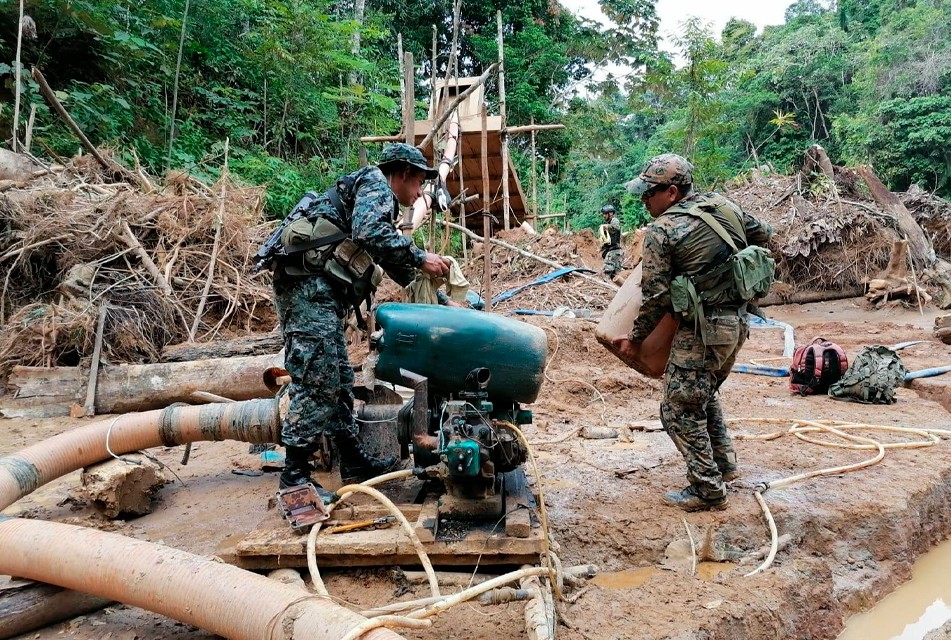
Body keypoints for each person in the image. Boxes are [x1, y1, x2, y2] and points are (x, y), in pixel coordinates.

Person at [272, 143, 453, 493]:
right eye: (418, 184)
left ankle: (352, 460)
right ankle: (293, 477)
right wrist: (421, 257)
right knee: (318, 378)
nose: (418, 195)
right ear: (403, 174)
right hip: (306, 291)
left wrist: (442, 299)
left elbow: (395, 262)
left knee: (339, 378)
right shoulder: (376, 184)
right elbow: (373, 235)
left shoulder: (373, 200)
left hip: (317, 294)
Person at [612, 154, 773, 512]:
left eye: (648, 194)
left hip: (702, 330)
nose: (644, 200)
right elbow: (764, 233)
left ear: (671, 192)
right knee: (702, 394)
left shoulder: (663, 230)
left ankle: (707, 489)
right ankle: (725, 466)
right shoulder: (723, 207)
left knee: (677, 411)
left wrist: (635, 339)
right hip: (737, 325)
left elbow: (655, 295)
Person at [599, 205, 623, 281]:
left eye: (605, 214)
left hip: (613, 251)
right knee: (615, 274)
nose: (604, 216)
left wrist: (606, 226)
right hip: (613, 250)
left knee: (607, 273)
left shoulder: (614, 220)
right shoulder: (610, 222)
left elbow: (616, 227)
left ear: (610, 213)